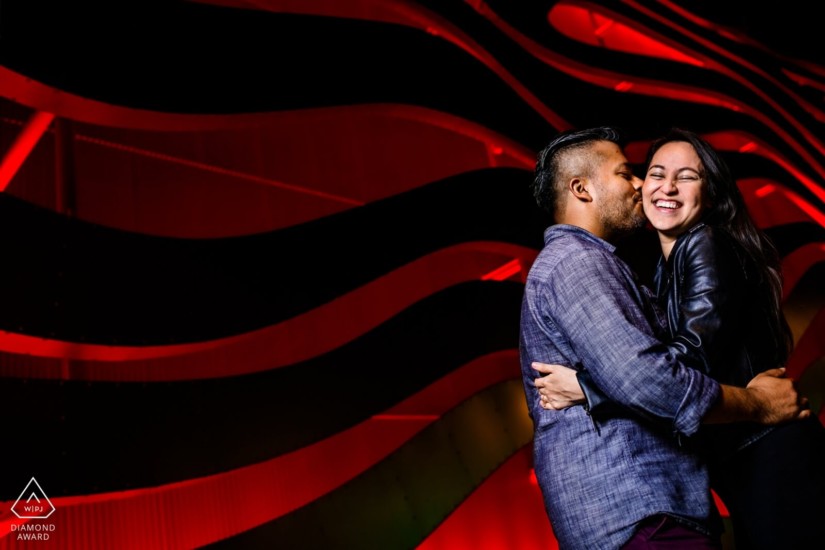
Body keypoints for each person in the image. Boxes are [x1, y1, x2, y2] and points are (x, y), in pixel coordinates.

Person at [532, 128, 825, 549]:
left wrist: (587, 389)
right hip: (745, 459)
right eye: (654, 173)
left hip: (771, 450)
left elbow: (686, 363)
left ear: (710, 192)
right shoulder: (660, 272)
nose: (664, 186)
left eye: (686, 176)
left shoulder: (704, 244)